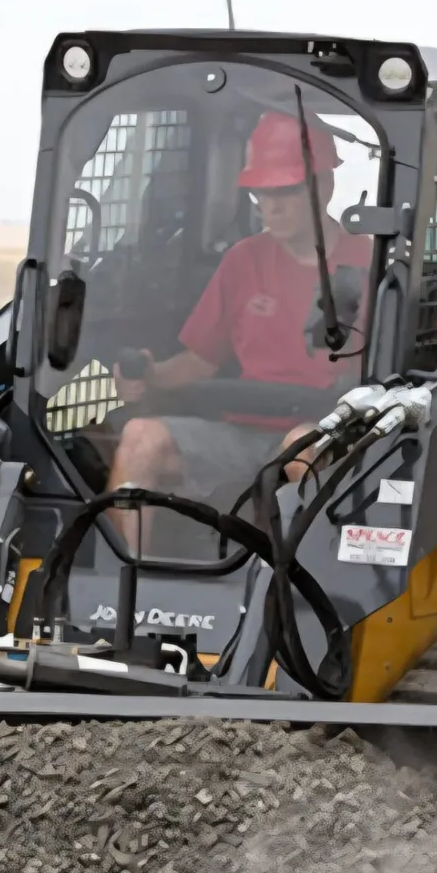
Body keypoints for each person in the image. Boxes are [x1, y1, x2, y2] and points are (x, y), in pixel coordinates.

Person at [106, 109, 374, 550]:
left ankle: (293, 583)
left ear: (324, 185)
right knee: (139, 438)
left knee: (301, 447)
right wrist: (150, 376)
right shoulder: (243, 261)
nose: (271, 206)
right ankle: (130, 576)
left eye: (284, 191)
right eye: (261, 193)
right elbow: (201, 361)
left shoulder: (370, 263)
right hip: (240, 432)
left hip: (321, 430)